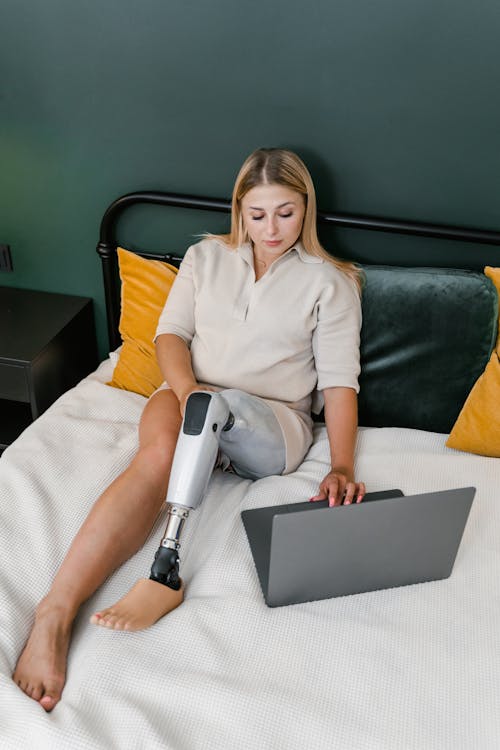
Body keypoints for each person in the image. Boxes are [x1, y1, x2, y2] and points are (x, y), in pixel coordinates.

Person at [13, 147, 366, 712]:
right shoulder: (205, 258)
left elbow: (340, 384)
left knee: (213, 411)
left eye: (286, 212)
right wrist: (186, 394)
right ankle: (54, 612)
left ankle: (165, 570)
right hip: (190, 396)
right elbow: (170, 338)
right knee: (154, 458)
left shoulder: (332, 282)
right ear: (238, 210)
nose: (271, 228)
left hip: (271, 422)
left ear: (307, 208)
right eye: (257, 214)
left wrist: (343, 464)